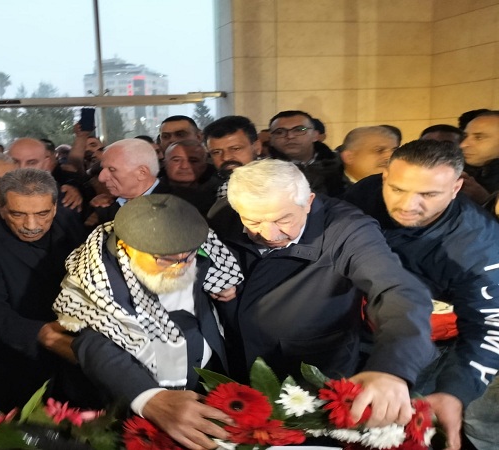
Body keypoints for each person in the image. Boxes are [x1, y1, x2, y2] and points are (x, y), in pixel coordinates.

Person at [208, 159, 435, 433]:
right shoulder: (223, 214)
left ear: (308, 202)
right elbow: (196, 253)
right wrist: (212, 276)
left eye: (283, 220)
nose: (269, 234)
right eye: (253, 221)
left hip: (312, 378)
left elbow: (397, 291)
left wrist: (392, 369)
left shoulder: (348, 230)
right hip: (234, 371)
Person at [344, 139, 499, 450]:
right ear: (385, 177)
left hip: (426, 343)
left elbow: (488, 326)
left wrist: (455, 391)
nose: (408, 205)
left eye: (428, 195)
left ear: (456, 188)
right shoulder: (364, 193)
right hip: (349, 327)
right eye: (397, 189)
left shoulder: (478, 244)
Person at [53, 194, 241, 449]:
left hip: (212, 382)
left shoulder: (195, 247)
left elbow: (217, 271)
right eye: (166, 260)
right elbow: (96, 345)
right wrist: (150, 399)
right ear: (127, 247)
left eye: (188, 257)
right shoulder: (97, 281)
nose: (181, 266)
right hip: (148, 408)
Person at [0, 169, 88, 411]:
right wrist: (42, 334)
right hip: (17, 365)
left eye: (42, 214)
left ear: (55, 207)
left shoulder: (69, 221)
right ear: (1, 207)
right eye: (18, 214)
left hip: (79, 363)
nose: (31, 225)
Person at [268, 110, 346, 196]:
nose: (290, 136)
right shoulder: (264, 171)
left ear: (315, 135)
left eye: (299, 130)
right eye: (279, 132)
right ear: (271, 139)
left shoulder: (341, 163)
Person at [94, 138, 168, 223]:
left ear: (142, 173)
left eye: (112, 169)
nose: (101, 178)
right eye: (102, 169)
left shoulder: (176, 208)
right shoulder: (102, 209)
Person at [203, 115, 263, 199]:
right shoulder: (217, 189)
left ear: (257, 147)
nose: (226, 157)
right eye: (216, 152)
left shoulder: (278, 184)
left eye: (235, 149)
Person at [160, 140, 220, 215]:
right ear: (165, 164)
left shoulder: (218, 194)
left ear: (204, 166)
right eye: (176, 160)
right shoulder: (150, 190)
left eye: (193, 161)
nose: (184, 166)